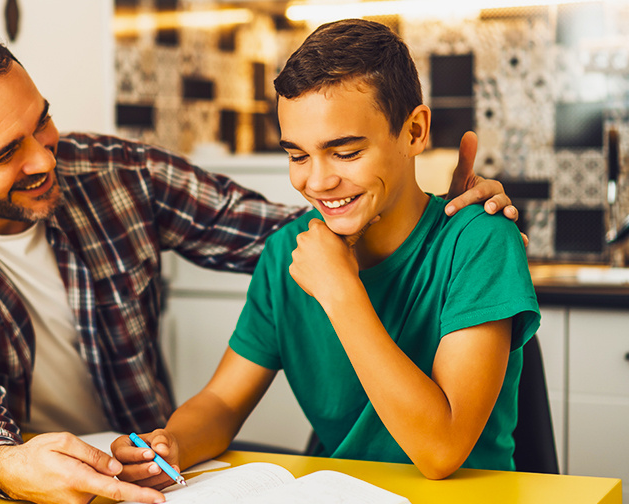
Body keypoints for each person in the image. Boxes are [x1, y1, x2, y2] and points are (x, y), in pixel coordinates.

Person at [0, 28, 519, 504]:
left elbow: (305, 227)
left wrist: (439, 204)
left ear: (416, 129)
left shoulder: (117, 173)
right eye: (5, 154)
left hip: (134, 462)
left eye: (42, 124)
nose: (46, 159)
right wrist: (13, 462)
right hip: (25, 474)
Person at [113, 18, 540, 487]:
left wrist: (340, 288)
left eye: (346, 152)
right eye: (297, 156)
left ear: (415, 131)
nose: (316, 182)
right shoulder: (285, 254)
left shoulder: (480, 241)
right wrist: (172, 443)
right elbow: (223, 402)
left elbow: (441, 452)